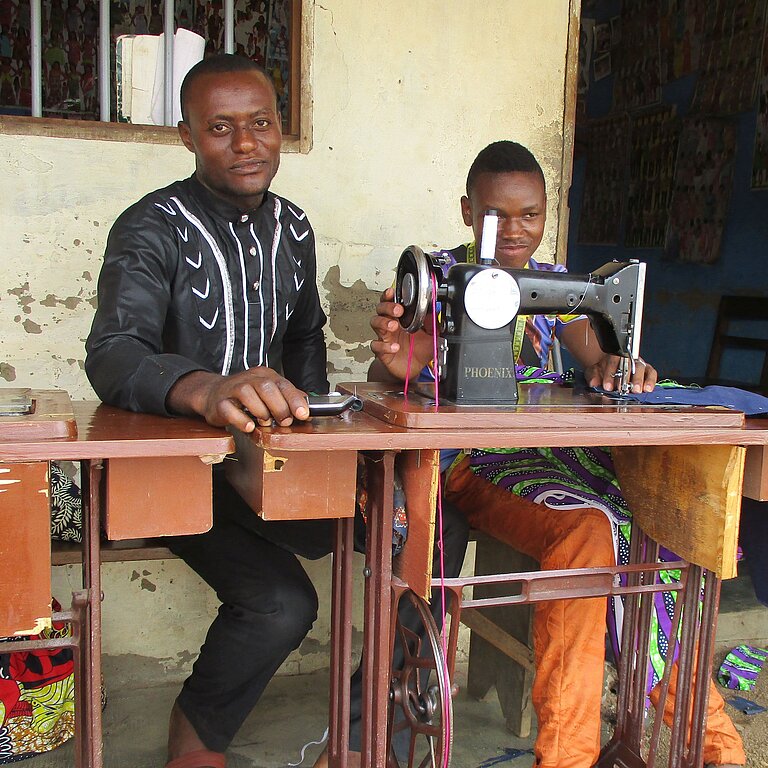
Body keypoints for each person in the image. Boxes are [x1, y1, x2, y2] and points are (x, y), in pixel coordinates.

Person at [86, 54, 468, 768]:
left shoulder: (293, 229)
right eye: (221, 128)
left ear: (281, 129)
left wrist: (332, 447)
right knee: (280, 603)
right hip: (177, 475)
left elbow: (302, 346)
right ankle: (193, 751)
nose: (246, 144)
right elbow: (112, 353)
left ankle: (357, 738)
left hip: (274, 467)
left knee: (425, 527)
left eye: (260, 124)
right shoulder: (150, 227)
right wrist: (205, 389)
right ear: (187, 135)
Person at [370, 140, 745, 768]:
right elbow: (397, 376)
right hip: (467, 464)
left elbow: (596, 350)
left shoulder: (555, 284)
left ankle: (713, 747)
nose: (515, 232)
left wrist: (616, 365)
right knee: (592, 529)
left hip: (551, 460)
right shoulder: (431, 278)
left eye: (531, 215)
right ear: (467, 210)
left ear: (547, 214)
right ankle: (572, 756)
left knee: (655, 524)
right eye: (496, 215)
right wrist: (396, 362)